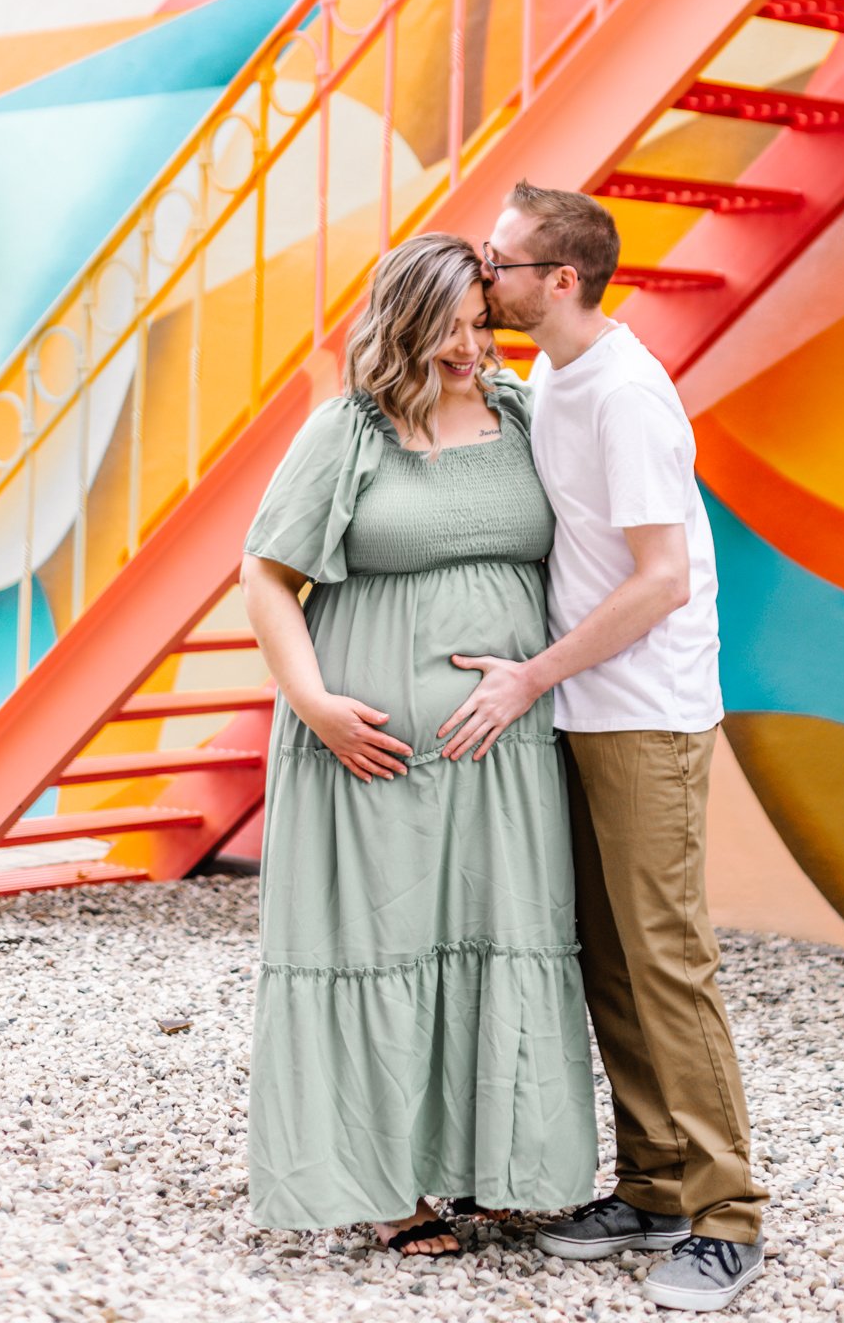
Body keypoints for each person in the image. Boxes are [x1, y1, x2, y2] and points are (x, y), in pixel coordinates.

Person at [442, 180, 768, 1313]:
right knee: (610, 960)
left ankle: (728, 1215)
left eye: (499, 260)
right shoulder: (554, 378)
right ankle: (653, 1184)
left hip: (644, 710)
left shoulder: (626, 393)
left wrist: (532, 673)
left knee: (667, 962)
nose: (484, 275)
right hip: (583, 708)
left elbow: (662, 578)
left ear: (557, 279)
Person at [239, 232, 597, 1257]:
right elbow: (266, 575)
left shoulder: (527, 415)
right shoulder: (348, 430)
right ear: (400, 319)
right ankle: (387, 1186)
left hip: (506, 746)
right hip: (370, 746)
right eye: (444, 325)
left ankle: (493, 1163)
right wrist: (313, 703)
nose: (467, 345)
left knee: (500, 937)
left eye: (479, 322)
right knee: (379, 947)